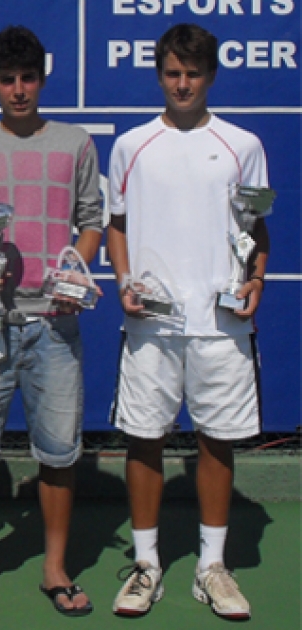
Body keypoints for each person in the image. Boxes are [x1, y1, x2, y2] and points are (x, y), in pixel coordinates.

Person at [0, 25, 102, 618]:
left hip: (55, 325)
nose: (18, 90)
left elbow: (90, 219)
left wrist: (73, 269)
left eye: (27, 78)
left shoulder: (77, 143)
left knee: (59, 452)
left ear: (42, 77)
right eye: (7, 80)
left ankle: (54, 569)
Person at [107, 23, 268, 620]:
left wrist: (253, 281)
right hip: (152, 325)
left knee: (216, 442)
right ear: (159, 75)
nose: (182, 84)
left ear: (210, 77)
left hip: (221, 326)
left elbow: (256, 232)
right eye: (173, 73)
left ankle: (212, 568)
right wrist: (126, 282)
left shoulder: (242, 145)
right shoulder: (131, 145)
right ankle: (146, 565)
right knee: (144, 438)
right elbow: (118, 224)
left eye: (193, 74)